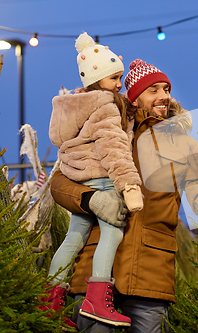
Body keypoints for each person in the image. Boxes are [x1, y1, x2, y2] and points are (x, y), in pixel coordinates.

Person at [50, 58, 198, 332]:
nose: (164, 96)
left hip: (150, 274)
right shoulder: (107, 128)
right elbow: (59, 183)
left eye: (166, 89)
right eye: (154, 90)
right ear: (134, 99)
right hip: (95, 274)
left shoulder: (184, 142)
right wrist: (91, 200)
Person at [44, 32, 144, 328]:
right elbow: (113, 147)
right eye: (114, 79)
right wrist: (129, 185)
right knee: (113, 232)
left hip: (79, 179)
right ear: (98, 79)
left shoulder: (78, 104)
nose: (118, 84)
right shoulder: (105, 106)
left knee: (73, 239)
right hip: (102, 179)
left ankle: (50, 302)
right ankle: (97, 299)